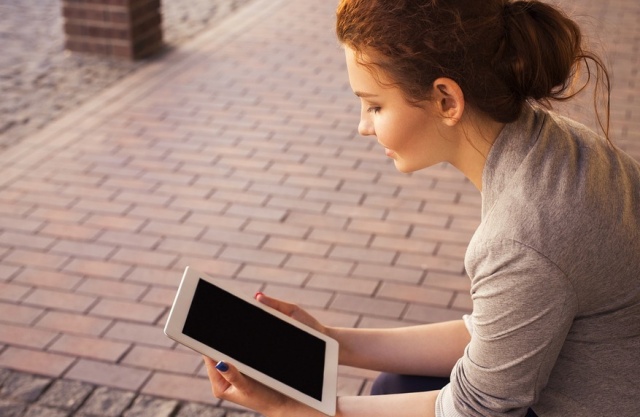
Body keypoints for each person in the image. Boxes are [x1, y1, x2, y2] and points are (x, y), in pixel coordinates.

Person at [202, 0, 640, 416]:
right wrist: (330, 342)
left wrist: (288, 408)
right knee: (396, 383)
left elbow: (478, 409)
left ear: (447, 100)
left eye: (375, 105)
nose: (363, 126)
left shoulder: (523, 235)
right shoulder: (554, 145)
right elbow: (495, 331)